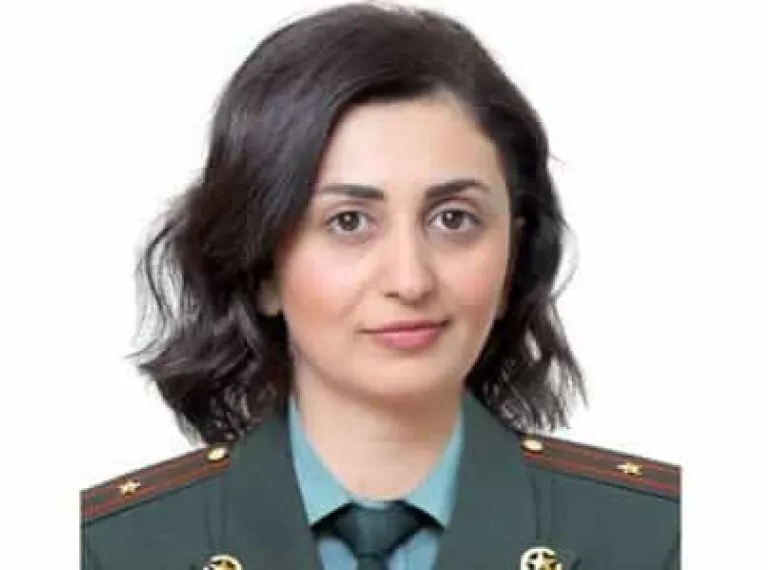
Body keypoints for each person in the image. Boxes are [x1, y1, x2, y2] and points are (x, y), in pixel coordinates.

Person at [80, 2, 680, 569]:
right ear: (261, 266)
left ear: (513, 255)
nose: (410, 279)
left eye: (454, 219)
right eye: (348, 222)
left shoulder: (660, 539)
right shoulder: (108, 550)